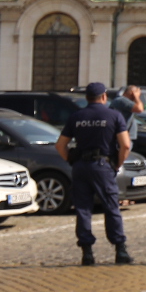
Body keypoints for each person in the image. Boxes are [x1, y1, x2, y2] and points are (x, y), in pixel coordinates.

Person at [56, 81, 134, 266]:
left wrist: (71, 160)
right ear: (105, 96)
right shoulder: (114, 115)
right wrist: (117, 164)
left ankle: (87, 253)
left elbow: (60, 145)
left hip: (81, 166)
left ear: (87, 98)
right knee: (111, 206)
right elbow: (125, 145)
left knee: (83, 209)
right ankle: (120, 250)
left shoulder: (77, 116)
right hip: (103, 165)